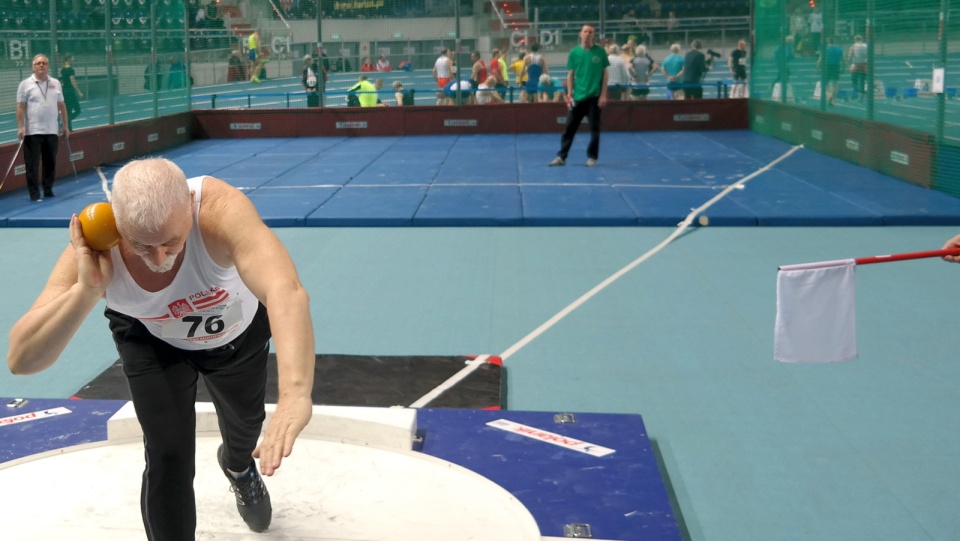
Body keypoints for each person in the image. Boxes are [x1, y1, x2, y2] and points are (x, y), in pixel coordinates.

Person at [6, 158, 316, 540]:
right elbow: (21, 360)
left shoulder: (219, 209)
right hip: (152, 341)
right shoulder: (94, 241)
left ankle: (237, 467)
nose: (157, 258)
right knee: (167, 454)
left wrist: (296, 394)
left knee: (246, 428)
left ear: (189, 205)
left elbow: (286, 291)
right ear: (116, 222)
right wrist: (86, 292)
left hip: (238, 335)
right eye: (140, 245)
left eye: (171, 241)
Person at [549, 24, 609, 168]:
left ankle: (592, 157)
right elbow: (570, 74)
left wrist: (603, 95)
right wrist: (569, 95)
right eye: (585, 31)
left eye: (590, 32)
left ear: (593, 35)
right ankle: (561, 156)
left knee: (595, 129)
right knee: (569, 128)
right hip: (578, 97)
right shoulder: (574, 52)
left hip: (594, 96)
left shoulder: (600, 52)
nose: (587, 34)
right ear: (580, 34)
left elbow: (605, 73)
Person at [16, 54, 70, 202]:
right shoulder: (25, 84)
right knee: (32, 165)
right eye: (38, 63)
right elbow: (20, 107)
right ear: (33, 66)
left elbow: (62, 105)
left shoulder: (56, 83)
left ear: (48, 66)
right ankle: (34, 194)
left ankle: (48, 190)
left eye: (44, 63)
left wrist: (65, 126)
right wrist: (20, 127)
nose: (41, 65)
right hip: (32, 132)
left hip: (51, 131)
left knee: (50, 163)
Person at [60, 53, 84, 131]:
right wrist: (79, 91)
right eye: (72, 59)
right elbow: (73, 81)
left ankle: (69, 129)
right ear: (68, 60)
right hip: (70, 91)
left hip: (65, 91)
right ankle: (66, 122)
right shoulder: (70, 70)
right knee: (77, 110)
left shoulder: (63, 70)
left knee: (68, 111)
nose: (73, 61)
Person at [818, 37, 844, 105]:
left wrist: (817, 67)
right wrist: (843, 68)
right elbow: (843, 59)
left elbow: (820, 59)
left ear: (828, 42)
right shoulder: (839, 49)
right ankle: (833, 98)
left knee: (825, 83)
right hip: (836, 66)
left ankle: (827, 95)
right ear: (834, 42)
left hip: (827, 66)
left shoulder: (825, 49)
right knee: (835, 83)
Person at [847, 34, 868, 99]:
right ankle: (862, 93)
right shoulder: (866, 46)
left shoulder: (853, 46)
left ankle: (855, 93)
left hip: (855, 64)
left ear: (855, 40)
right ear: (861, 39)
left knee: (854, 80)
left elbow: (850, 56)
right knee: (862, 80)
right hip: (864, 64)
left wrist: (848, 63)